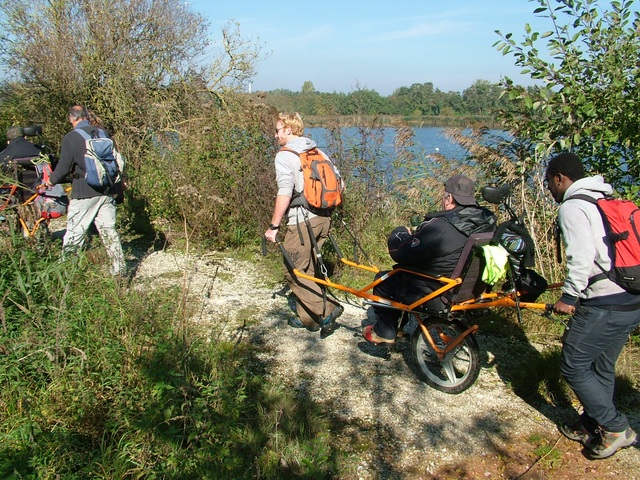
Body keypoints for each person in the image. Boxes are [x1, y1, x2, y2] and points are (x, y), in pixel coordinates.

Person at [546, 152, 639, 459]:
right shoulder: (605, 198)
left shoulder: (573, 207)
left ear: (560, 178)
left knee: (573, 365)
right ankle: (592, 421)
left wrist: (569, 296)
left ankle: (615, 427)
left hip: (604, 302)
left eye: (549, 182)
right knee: (600, 365)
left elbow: (581, 258)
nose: (549, 189)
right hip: (632, 296)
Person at [363, 174, 497, 344]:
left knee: (383, 280)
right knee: (402, 276)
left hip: (439, 291)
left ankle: (385, 331)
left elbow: (401, 254)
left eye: (444, 196)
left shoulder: (442, 225)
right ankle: (399, 328)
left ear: (449, 198)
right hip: (469, 288)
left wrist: (400, 233)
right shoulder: (487, 220)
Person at [264, 112, 343, 338]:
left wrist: (274, 226)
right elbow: (340, 183)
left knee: (293, 269)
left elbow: (284, 192)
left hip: (302, 222)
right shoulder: (317, 151)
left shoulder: (285, 155)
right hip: (324, 218)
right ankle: (307, 318)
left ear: (289, 130)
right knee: (308, 267)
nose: (275, 134)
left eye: (278, 130)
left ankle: (327, 310)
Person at [47, 105, 126, 276]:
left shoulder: (71, 138)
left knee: (75, 232)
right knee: (108, 231)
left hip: (84, 192)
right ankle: (119, 269)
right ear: (86, 116)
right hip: (106, 190)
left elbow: (63, 168)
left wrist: (50, 181)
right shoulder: (102, 133)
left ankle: (66, 273)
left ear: (72, 118)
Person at [0, 126, 44, 201]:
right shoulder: (40, 151)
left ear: (8, 141)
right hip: (42, 194)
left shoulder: (3, 156)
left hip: (15, 197)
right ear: (25, 137)